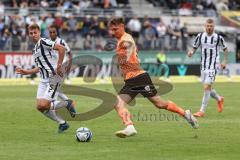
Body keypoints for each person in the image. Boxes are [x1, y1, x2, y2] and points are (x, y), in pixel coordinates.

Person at [108, 17, 198, 138]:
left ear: (122, 26)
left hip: (136, 77)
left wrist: (129, 52)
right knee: (159, 104)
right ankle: (185, 113)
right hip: (135, 78)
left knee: (118, 104)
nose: (113, 32)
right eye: (111, 30)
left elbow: (129, 45)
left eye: (115, 29)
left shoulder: (126, 39)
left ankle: (129, 126)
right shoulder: (122, 40)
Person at [15, 23, 76, 133]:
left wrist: (59, 65)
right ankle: (62, 123)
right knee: (40, 107)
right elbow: (40, 67)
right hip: (43, 81)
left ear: (39, 33)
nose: (33, 35)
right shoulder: (35, 49)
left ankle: (67, 103)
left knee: (45, 104)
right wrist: (27, 72)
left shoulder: (43, 41)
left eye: (35, 32)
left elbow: (61, 48)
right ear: (29, 35)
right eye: (31, 33)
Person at [187, 19, 227, 117]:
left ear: (214, 27)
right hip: (203, 66)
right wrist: (191, 52)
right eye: (208, 26)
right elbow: (195, 47)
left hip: (213, 66)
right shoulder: (200, 36)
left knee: (207, 87)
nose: (209, 28)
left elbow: (225, 49)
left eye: (211, 26)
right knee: (207, 88)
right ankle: (219, 99)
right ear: (205, 26)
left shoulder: (218, 38)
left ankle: (202, 111)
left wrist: (224, 61)